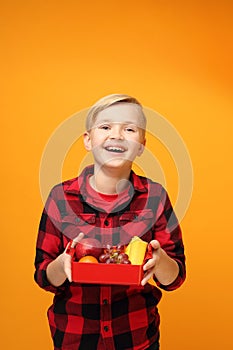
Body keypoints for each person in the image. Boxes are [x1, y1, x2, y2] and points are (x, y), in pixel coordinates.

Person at [34, 94, 186, 350]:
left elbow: (175, 278)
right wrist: (62, 265)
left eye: (129, 129)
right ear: (87, 140)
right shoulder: (61, 197)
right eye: (105, 127)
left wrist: (160, 262)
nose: (116, 135)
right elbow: (43, 275)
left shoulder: (155, 196)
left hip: (137, 338)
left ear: (141, 145)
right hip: (75, 338)